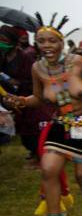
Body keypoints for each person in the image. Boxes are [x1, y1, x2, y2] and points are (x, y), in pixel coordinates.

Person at [2, 14, 82, 216]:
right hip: (59, 124)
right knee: (49, 169)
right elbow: (39, 99)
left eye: (52, 41)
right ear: (36, 44)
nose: (47, 46)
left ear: (61, 43)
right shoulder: (37, 68)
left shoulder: (79, 63)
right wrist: (20, 100)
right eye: (42, 41)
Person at [0, 25, 53, 162]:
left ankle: (39, 155)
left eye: (4, 40)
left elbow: (33, 81)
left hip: (28, 97)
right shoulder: (2, 57)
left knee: (33, 129)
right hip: (11, 99)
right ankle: (33, 151)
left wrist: (15, 82)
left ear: (13, 41)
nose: (2, 43)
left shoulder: (26, 58)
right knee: (22, 129)